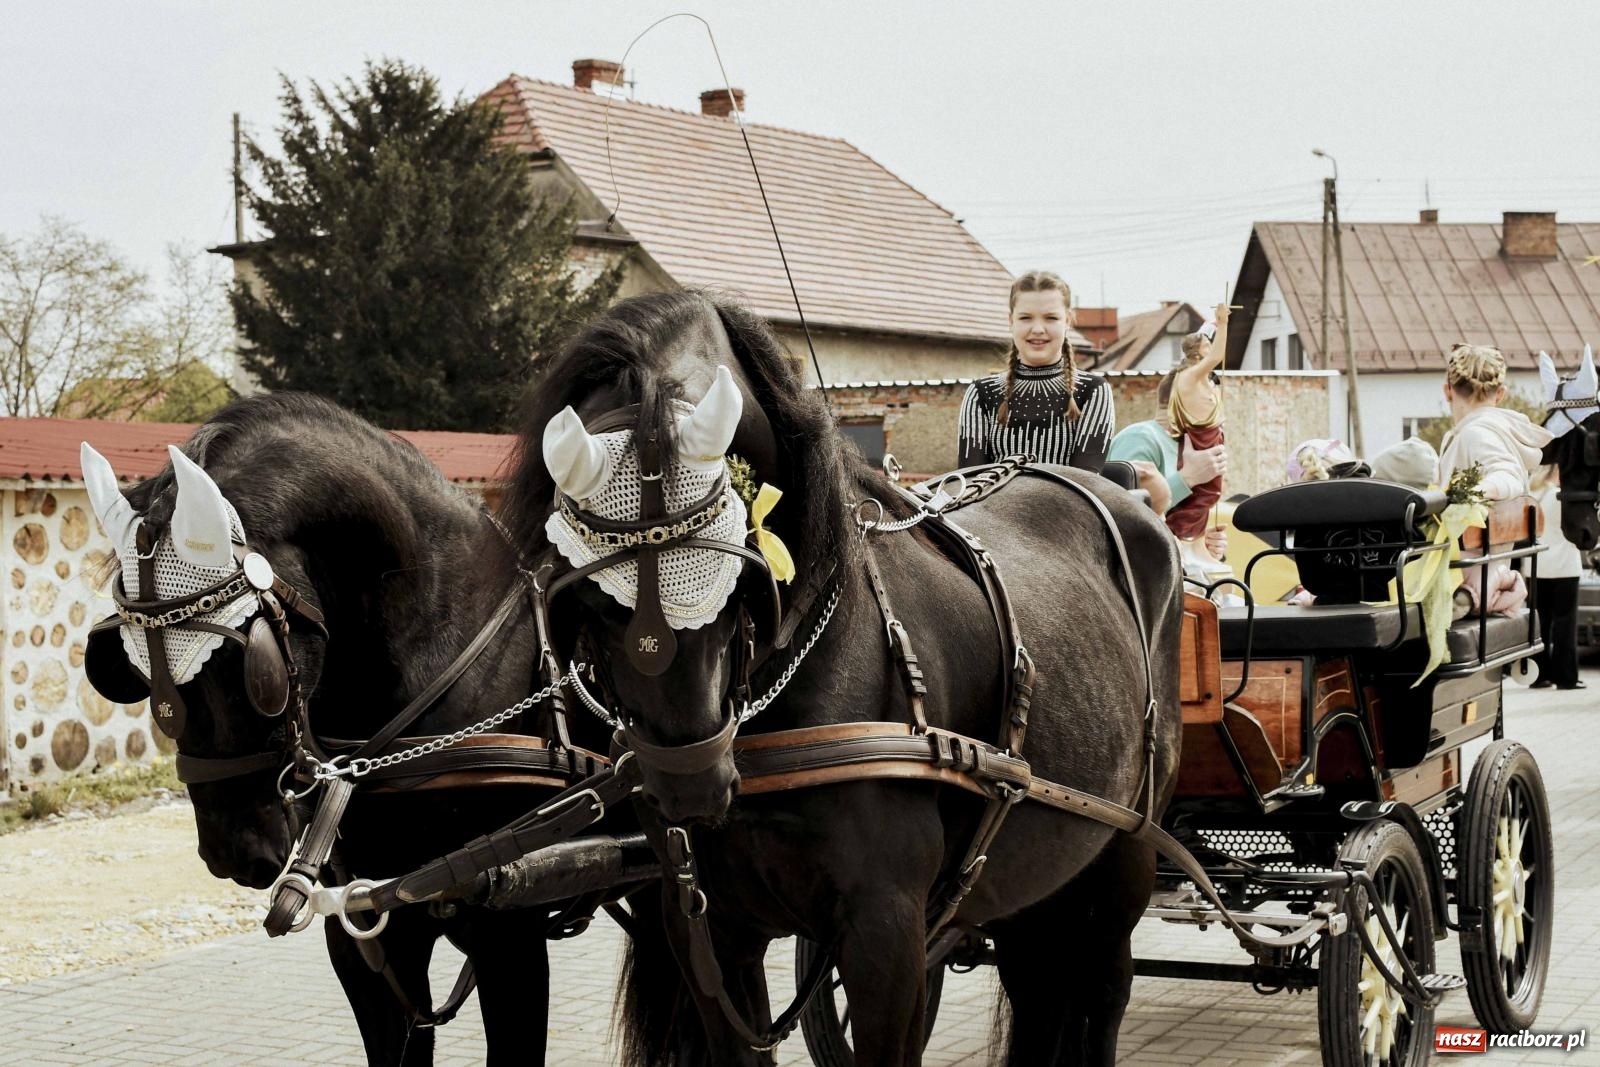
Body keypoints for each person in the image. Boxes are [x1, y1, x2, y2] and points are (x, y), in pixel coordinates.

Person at [1437, 344, 1554, 617]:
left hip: (1459, 578)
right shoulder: (1489, 432)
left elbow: (1507, 475)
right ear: (1500, 394)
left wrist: (1462, 495)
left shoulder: (1476, 434)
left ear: (1447, 390)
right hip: (1489, 571)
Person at [957, 271, 1114, 472]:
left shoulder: (1093, 391)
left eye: (1050, 318)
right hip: (993, 504)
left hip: (1068, 504)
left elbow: (1084, 484)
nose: (1038, 328)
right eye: (1025, 318)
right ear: (1010, 321)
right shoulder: (980, 394)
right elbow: (970, 482)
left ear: (1067, 320)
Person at [1105, 368, 1228, 563]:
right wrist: (1187, 478)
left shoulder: (1188, 445)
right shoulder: (1140, 438)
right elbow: (1123, 515)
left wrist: (1205, 545)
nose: (1215, 410)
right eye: (1207, 398)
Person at [1163, 304, 1231, 540]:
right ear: (1197, 352)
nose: (1210, 348)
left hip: (1209, 434)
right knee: (1204, 492)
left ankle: (1195, 539)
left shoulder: (1199, 376)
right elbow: (1217, 356)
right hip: (1202, 436)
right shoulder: (1191, 375)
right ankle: (1183, 535)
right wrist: (1222, 323)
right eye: (1206, 345)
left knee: (1210, 493)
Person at [1529, 464, 1585, 689]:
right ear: (1556, 472)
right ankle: (1565, 676)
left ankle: (1540, 674)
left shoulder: (1533, 495)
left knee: (1541, 622)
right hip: (1564, 566)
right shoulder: (1559, 497)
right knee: (1565, 623)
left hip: (1537, 566)